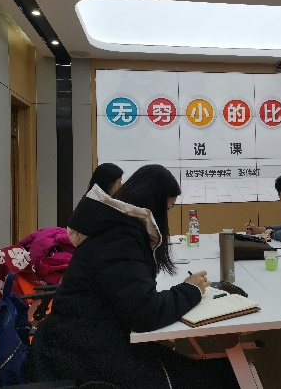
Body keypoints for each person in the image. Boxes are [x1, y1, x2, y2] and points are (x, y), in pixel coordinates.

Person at [27, 164, 239, 388]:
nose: (165, 217)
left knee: (202, 369)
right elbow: (146, 314)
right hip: (85, 358)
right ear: (154, 204)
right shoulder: (120, 238)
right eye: (167, 209)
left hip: (83, 343)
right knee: (218, 376)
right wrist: (191, 290)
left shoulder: (115, 229)